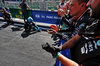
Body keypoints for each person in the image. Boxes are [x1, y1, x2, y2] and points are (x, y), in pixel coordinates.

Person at [42, 0, 100, 66]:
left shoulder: (87, 18)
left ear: (82, 5)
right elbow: (74, 36)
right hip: (73, 56)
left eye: (71, 5)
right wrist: (59, 33)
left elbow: (71, 36)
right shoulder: (92, 20)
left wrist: (57, 54)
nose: (88, 4)